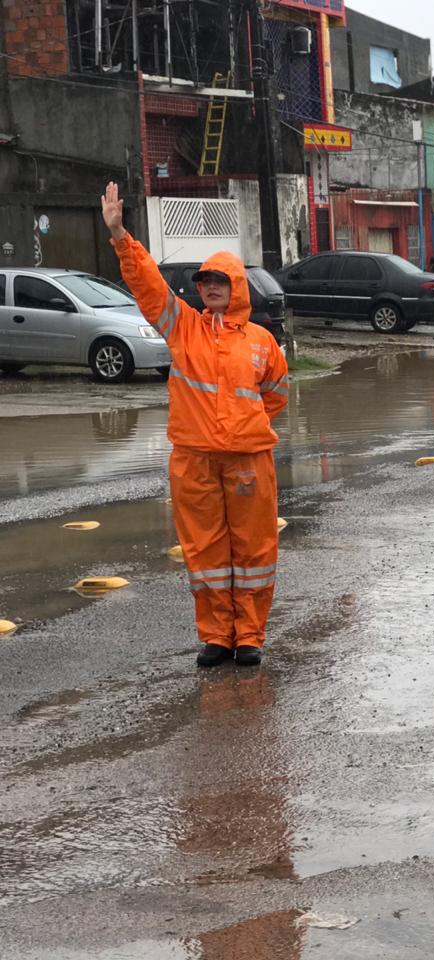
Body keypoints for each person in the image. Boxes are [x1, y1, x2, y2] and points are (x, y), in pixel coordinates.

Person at [101, 181, 290, 668]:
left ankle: (249, 636)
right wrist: (121, 235)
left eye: (220, 281)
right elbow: (147, 286)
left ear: (237, 288)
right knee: (204, 553)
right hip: (194, 461)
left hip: (248, 461)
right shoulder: (182, 325)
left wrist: (243, 428)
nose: (210, 287)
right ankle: (216, 637)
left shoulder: (262, 342)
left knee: (253, 551)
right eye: (205, 280)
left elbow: (276, 394)